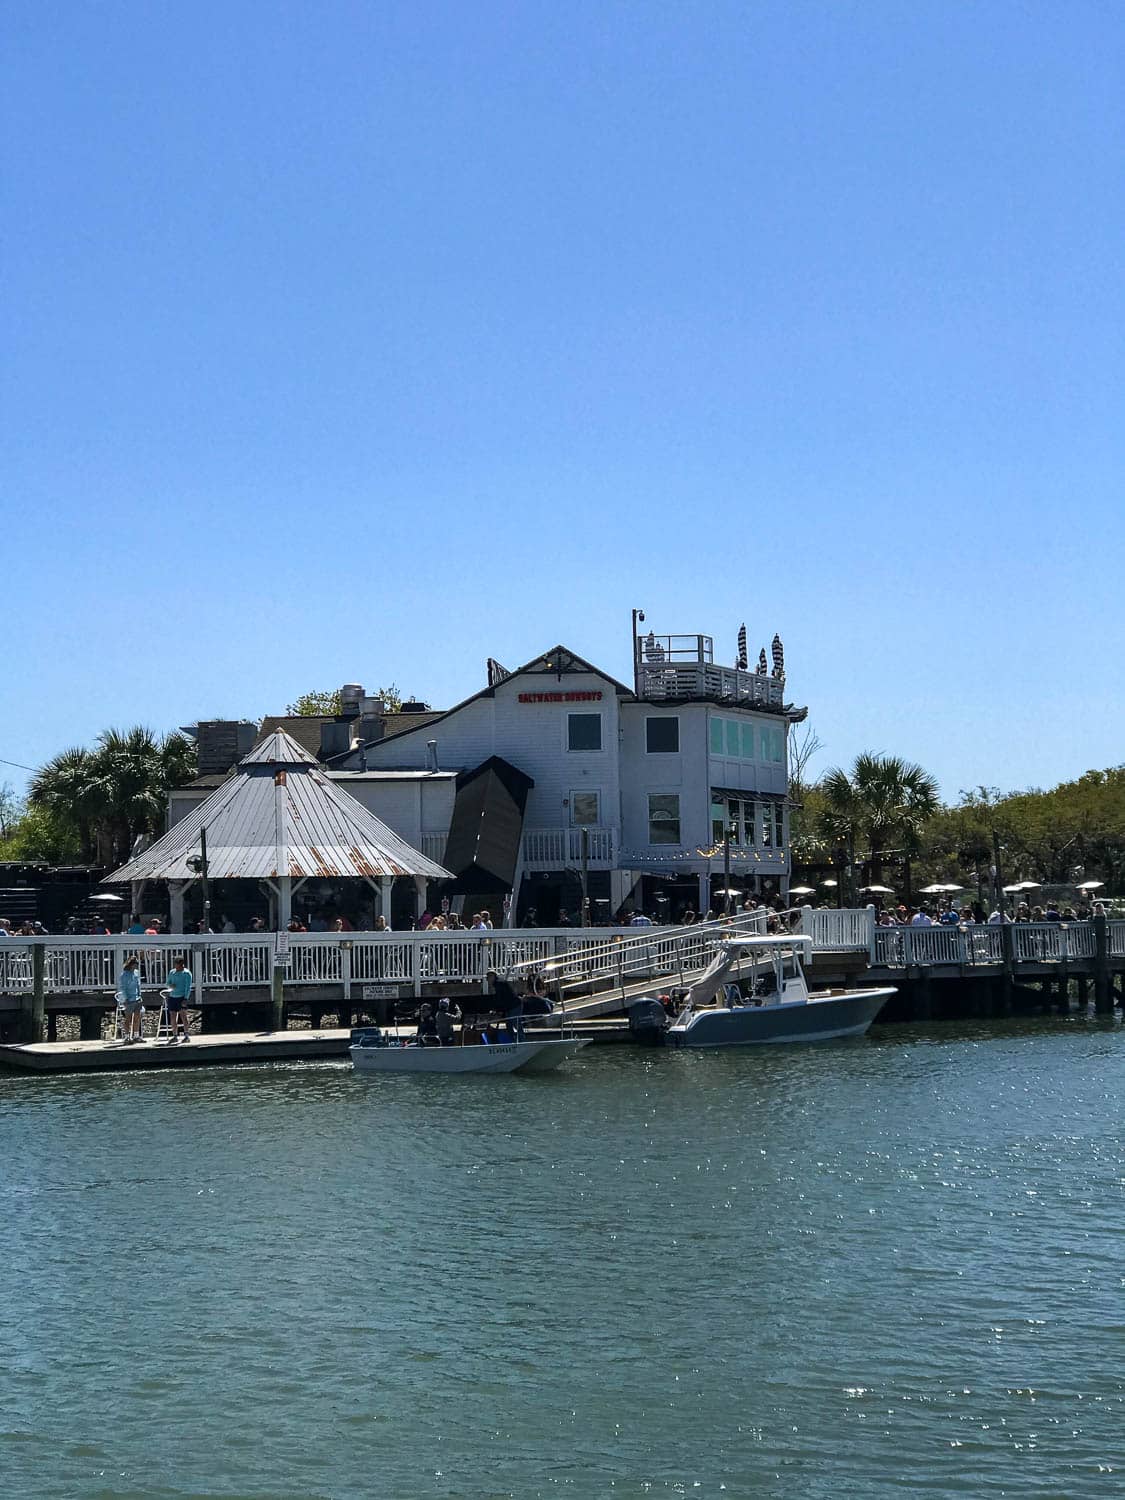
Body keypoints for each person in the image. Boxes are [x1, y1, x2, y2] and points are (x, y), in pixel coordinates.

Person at [164, 957, 193, 1043]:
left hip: (181, 997)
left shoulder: (187, 973)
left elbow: (188, 987)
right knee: (173, 1017)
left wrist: (185, 998)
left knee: (183, 1016)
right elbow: (167, 983)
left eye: (178, 964)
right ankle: (175, 1035)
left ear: (182, 964)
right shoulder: (172, 972)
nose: (176, 966)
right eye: (175, 964)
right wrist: (170, 986)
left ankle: (186, 1035)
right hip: (172, 997)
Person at [117, 956, 144, 1043]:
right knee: (128, 1019)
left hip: (137, 998)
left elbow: (138, 985)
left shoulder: (136, 973)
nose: (137, 966)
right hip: (129, 999)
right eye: (136, 964)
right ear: (131, 964)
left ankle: (136, 1035)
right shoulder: (124, 974)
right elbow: (122, 988)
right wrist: (125, 999)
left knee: (137, 1017)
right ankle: (127, 1037)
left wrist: (140, 995)